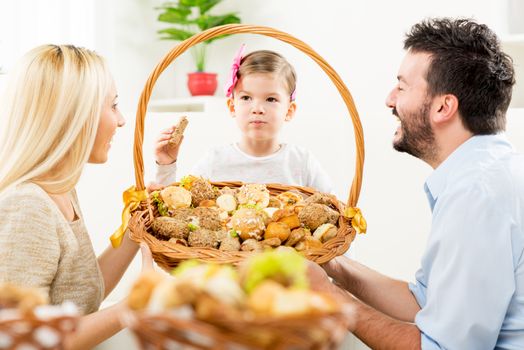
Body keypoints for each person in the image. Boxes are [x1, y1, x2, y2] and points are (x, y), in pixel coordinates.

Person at [309, 18, 523, 349]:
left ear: (443, 107)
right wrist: (334, 265)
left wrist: (330, 297)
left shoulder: (476, 195)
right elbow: (424, 299)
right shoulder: (487, 172)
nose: (389, 99)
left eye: (403, 86)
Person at [0, 44, 152, 349]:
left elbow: (81, 295)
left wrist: (139, 226)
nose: (121, 120)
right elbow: (22, 340)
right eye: (113, 105)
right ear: (74, 116)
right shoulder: (28, 206)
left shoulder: (60, 188)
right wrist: (134, 307)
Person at [154, 47, 333, 193]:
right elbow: (176, 208)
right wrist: (166, 164)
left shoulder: (301, 163)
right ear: (232, 107)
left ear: (289, 111)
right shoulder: (215, 161)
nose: (257, 108)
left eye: (271, 99)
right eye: (246, 98)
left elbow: (334, 211)